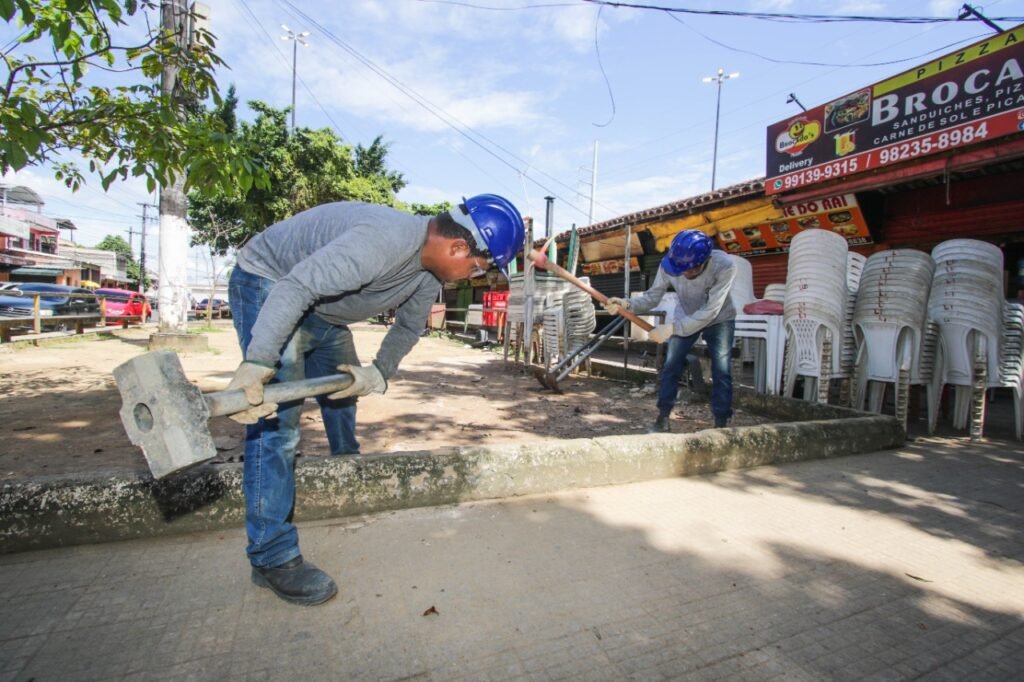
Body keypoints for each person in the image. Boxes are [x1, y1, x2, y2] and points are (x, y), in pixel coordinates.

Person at [225, 195, 525, 606]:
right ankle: (271, 555)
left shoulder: (428, 272)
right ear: (458, 247)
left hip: (321, 311)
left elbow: (408, 327)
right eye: (477, 268)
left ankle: (346, 465)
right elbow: (297, 286)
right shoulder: (383, 240)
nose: (474, 276)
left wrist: (380, 371)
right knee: (277, 423)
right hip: (271, 282)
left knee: (343, 389)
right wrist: (258, 362)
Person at [604, 230, 737, 433]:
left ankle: (721, 423)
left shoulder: (725, 265)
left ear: (704, 260)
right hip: (686, 314)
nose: (683, 274)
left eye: (689, 270)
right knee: (671, 365)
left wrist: (672, 328)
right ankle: (662, 418)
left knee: (722, 369)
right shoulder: (669, 264)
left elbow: (710, 311)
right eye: (679, 269)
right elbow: (652, 297)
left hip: (719, 318)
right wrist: (627, 304)